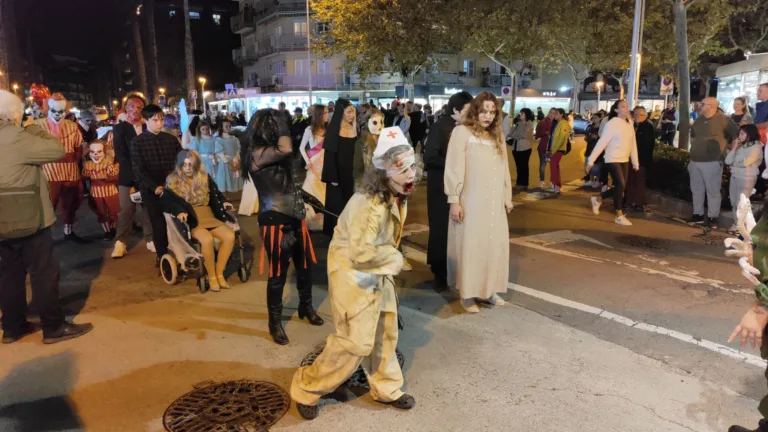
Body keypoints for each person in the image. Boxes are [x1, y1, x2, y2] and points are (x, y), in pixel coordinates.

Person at [290, 128, 418, 420]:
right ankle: (306, 387)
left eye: (411, 166)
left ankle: (386, 387)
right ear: (383, 173)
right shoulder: (369, 205)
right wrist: (393, 258)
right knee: (354, 341)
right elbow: (360, 253)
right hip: (352, 269)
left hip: (376, 266)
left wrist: (387, 259)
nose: (410, 174)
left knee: (385, 330)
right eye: (401, 169)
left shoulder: (395, 194)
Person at [0, 90, 93, 344]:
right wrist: (32, 129)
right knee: (44, 272)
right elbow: (55, 150)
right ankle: (53, 327)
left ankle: (13, 326)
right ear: (14, 115)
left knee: (9, 274)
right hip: (28, 216)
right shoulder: (16, 135)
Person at [241, 109, 324, 345]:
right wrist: (283, 124)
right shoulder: (256, 154)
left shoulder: (272, 155)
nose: (278, 130)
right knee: (277, 275)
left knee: (305, 268)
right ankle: (274, 323)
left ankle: (305, 308)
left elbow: (289, 184)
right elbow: (286, 148)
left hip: (295, 217)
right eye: (274, 126)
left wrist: (309, 199)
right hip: (274, 221)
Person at [445, 92, 513, 313]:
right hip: (470, 201)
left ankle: (489, 289)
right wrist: (454, 200)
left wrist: (507, 197)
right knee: (471, 247)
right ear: (475, 110)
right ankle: (467, 293)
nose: (488, 116)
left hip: (493, 204)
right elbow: (454, 167)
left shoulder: (497, 136)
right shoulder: (461, 133)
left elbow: (504, 169)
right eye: (484, 110)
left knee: (493, 245)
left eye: (492, 112)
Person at [164, 150, 237, 292]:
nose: (187, 168)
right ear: (179, 165)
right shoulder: (173, 181)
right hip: (192, 218)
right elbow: (168, 201)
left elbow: (217, 194)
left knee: (229, 236)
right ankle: (212, 277)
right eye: (184, 165)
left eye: (191, 165)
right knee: (207, 239)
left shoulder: (204, 177)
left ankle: (219, 273)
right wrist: (178, 211)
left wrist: (224, 202)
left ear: (196, 165)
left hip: (209, 215)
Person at [424, 91, 472, 289]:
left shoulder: (466, 128)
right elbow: (430, 157)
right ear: (455, 109)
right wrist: (455, 164)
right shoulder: (440, 128)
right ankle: (439, 271)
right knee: (441, 229)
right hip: (439, 187)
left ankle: (454, 268)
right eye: (468, 110)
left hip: (458, 187)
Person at [130, 104, 182, 264]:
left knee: (179, 221)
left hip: (173, 187)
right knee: (158, 225)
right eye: (155, 120)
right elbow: (138, 169)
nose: (159, 123)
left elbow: (180, 161)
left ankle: (182, 253)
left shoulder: (171, 139)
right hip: (151, 191)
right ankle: (162, 257)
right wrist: (155, 187)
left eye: (161, 119)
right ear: (145, 120)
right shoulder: (137, 142)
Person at [35, 93, 87, 243]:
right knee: (48, 206)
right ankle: (44, 237)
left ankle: (68, 232)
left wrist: (72, 159)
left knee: (71, 204)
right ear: (48, 109)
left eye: (61, 112)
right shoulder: (39, 126)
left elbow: (78, 149)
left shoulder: (72, 126)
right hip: (49, 175)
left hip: (70, 174)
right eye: (54, 111)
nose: (57, 115)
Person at [688, 97, 740, 229]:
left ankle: (713, 217)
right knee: (696, 190)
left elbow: (737, 136)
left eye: (702, 104)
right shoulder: (699, 119)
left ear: (711, 106)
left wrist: (731, 151)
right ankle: (698, 215)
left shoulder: (724, 119)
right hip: (695, 160)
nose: (700, 105)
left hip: (712, 161)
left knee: (713, 191)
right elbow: (693, 136)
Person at [112, 93, 153, 258]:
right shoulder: (120, 128)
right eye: (131, 106)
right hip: (128, 176)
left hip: (147, 176)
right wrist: (135, 176)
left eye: (140, 107)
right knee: (126, 209)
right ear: (126, 107)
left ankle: (150, 238)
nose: (135, 110)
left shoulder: (147, 127)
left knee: (148, 207)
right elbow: (121, 155)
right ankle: (120, 242)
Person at [587, 100, 639, 226]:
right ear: (616, 110)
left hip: (624, 159)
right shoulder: (612, 123)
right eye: (623, 107)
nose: (626, 108)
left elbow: (633, 144)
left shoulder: (629, 123)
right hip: (612, 158)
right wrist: (591, 160)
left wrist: (635, 161)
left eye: (627, 106)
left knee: (621, 187)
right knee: (620, 184)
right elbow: (602, 142)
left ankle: (599, 198)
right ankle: (619, 214)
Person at [321, 99, 357, 238]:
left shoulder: (355, 129)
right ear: (341, 113)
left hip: (351, 175)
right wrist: (333, 177)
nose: (352, 115)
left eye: (353, 112)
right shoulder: (334, 131)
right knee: (337, 204)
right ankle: (336, 232)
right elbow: (329, 156)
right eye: (349, 112)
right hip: (337, 175)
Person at [725, 124, 763, 232]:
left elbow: (746, 162)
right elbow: (728, 161)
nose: (739, 136)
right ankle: (736, 224)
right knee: (733, 201)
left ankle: (741, 227)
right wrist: (734, 148)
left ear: (749, 134)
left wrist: (734, 164)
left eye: (742, 133)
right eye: (739, 133)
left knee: (741, 203)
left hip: (747, 178)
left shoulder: (757, 146)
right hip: (735, 176)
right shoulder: (741, 145)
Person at [82, 140, 120, 239]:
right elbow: (84, 176)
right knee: (101, 213)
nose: (96, 154)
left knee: (113, 212)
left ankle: (113, 228)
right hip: (96, 193)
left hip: (111, 192)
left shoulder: (109, 164)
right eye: (92, 152)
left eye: (99, 152)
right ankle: (107, 231)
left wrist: (106, 176)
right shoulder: (88, 165)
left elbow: (114, 177)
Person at [299, 105, 329, 231]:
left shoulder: (329, 130)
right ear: (319, 115)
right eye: (326, 113)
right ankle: (310, 220)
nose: (328, 115)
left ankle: (325, 220)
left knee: (325, 191)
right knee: (312, 192)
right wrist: (308, 161)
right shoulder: (309, 130)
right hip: (314, 166)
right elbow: (301, 148)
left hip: (326, 166)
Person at [624, 107, 655, 212]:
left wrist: (640, 160)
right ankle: (628, 201)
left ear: (645, 116)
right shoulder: (633, 126)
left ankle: (638, 203)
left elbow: (646, 146)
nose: (636, 117)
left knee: (639, 181)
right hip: (630, 159)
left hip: (641, 160)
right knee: (630, 181)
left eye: (639, 115)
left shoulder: (648, 127)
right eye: (635, 114)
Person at [508, 108, 535, 191]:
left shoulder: (529, 124)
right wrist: (514, 132)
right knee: (518, 166)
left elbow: (524, 135)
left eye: (522, 113)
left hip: (525, 148)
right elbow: (511, 132)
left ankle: (524, 184)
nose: (520, 114)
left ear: (527, 114)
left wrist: (514, 135)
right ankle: (519, 183)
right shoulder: (518, 123)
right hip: (516, 147)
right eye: (520, 113)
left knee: (524, 166)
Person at [214, 120, 243, 195]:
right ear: (222, 127)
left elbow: (238, 148)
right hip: (225, 162)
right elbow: (220, 152)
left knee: (234, 176)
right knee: (225, 177)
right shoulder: (218, 139)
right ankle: (226, 195)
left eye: (229, 126)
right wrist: (227, 161)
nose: (228, 127)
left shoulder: (234, 138)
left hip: (234, 160)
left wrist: (237, 157)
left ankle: (234, 193)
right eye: (226, 126)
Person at [547, 108, 572, 194]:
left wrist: (553, 150)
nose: (554, 115)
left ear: (561, 114)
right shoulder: (557, 123)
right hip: (554, 149)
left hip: (558, 149)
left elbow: (562, 138)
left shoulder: (564, 124)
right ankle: (555, 184)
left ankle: (556, 185)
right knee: (554, 167)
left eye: (556, 113)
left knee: (554, 167)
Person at [535, 108, 554, 189]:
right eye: (550, 112)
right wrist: (544, 133)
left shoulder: (557, 123)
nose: (551, 114)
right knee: (543, 165)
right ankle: (542, 181)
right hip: (543, 147)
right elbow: (538, 132)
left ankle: (552, 182)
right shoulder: (543, 122)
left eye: (553, 113)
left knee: (553, 166)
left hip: (553, 148)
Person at [583, 115, 602, 187]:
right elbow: (587, 136)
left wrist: (597, 137)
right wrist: (587, 138)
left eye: (596, 117)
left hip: (597, 149)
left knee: (597, 166)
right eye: (593, 118)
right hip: (589, 148)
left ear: (600, 119)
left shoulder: (601, 128)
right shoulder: (590, 127)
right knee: (589, 164)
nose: (594, 119)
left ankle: (597, 181)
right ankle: (591, 180)